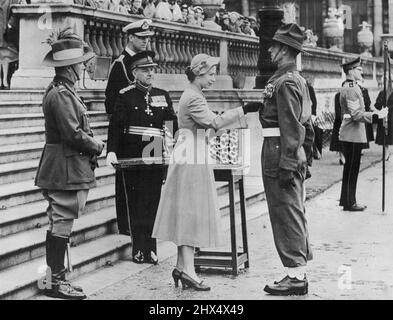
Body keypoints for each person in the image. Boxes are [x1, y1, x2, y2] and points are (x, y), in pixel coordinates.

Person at [152, 53, 261, 291]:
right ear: (199, 72)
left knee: (186, 211)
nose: (214, 78)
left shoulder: (193, 95)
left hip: (190, 154)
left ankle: (182, 267)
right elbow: (215, 123)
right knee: (191, 211)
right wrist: (244, 110)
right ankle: (188, 271)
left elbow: (208, 128)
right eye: (211, 74)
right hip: (191, 157)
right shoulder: (194, 98)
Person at [35, 28, 105, 300]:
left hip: (63, 164)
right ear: (70, 66)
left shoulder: (63, 90)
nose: (83, 65)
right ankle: (55, 282)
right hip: (64, 165)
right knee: (62, 221)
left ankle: (56, 279)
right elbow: (73, 134)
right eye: (79, 62)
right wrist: (96, 145)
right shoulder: (62, 94)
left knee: (60, 223)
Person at [106, 50, 178, 265]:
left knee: (153, 202)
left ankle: (151, 249)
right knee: (136, 203)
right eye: (145, 70)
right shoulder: (125, 94)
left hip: (155, 150)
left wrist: (177, 147)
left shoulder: (162, 94)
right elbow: (116, 126)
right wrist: (112, 151)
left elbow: (172, 125)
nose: (150, 74)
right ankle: (138, 249)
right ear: (134, 72)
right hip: (132, 152)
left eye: (152, 70)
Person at [259, 24, 314, 296]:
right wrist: (303, 152)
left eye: (273, 46)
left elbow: (292, 126)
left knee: (285, 211)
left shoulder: (285, 81)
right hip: (284, 148)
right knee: (292, 208)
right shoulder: (296, 79)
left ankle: (295, 275)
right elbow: (307, 124)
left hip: (279, 149)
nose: (269, 49)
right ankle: (297, 269)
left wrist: (289, 162)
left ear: (284, 50)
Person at [105, 20, 154, 237]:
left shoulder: (144, 62)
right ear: (130, 37)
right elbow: (111, 102)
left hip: (146, 134)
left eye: (147, 37)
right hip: (126, 133)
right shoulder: (121, 64)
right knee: (126, 183)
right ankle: (126, 225)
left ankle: (140, 224)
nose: (145, 41)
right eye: (141, 37)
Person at [338, 57, 388, 211]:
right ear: (351, 71)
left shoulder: (351, 86)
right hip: (352, 133)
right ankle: (350, 202)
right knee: (352, 170)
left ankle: (346, 200)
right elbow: (356, 115)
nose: (361, 72)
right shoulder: (352, 88)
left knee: (350, 169)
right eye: (359, 69)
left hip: (351, 133)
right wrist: (376, 116)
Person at [374, 86, 393, 161]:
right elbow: (377, 104)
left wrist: (388, 107)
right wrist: (380, 105)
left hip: (391, 116)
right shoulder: (382, 93)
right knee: (385, 136)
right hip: (384, 117)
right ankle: (386, 153)